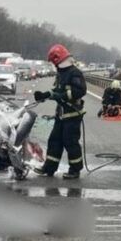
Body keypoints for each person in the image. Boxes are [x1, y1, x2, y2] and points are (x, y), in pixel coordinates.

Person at [33, 44, 86, 179]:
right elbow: (58, 90)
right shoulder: (61, 73)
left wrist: (61, 96)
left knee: (70, 142)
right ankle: (49, 168)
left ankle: (75, 170)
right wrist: (45, 95)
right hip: (61, 115)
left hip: (73, 114)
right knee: (54, 141)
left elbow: (80, 91)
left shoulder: (75, 73)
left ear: (57, 59)